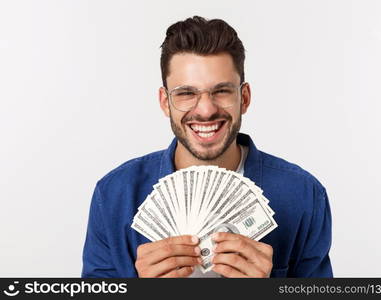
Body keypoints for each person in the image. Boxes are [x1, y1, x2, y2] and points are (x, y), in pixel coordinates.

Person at [81, 16, 333, 278]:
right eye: (186, 93)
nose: (206, 110)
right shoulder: (113, 196)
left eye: (221, 91)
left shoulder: (304, 196)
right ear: (165, 102)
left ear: (243, 98)